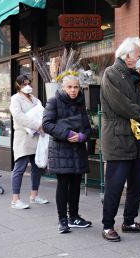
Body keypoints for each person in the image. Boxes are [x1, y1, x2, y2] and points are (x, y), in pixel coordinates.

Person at [100, 37, 140, 242]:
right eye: (138, 56)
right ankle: (107, 226)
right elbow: (121, 104)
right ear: (128, 56)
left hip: (136, 139)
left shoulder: (132, 75)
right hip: (118, 138)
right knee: (115, 184)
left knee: (137, 184)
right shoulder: (111, 74)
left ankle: (129, 221)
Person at [42, 75, 92, 234]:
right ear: (63, 88)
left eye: (76, 87)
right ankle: (62, 220)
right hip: (60, 149)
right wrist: (67, 134)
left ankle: (74, 217)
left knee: (76, 185)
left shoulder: (81, 102)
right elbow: (46, 124)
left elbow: (87, 126)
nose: (73, 90)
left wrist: (83, 136)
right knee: (63, 185)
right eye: (69, 87)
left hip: (77, 149)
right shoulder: (53, 101)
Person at [9, 74, 48, 209]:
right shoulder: (15, 99)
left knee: (37, 167)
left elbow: (43, 113)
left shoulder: (35, 99)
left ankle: (34, 195)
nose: (27, 86)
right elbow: (19, 117)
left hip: (37, 136)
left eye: (29, 83)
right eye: (24, 84)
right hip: (23, 137)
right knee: (20, 167)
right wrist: (37, 125)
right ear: (18, 85)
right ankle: (15, 199)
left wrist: (43, 124)